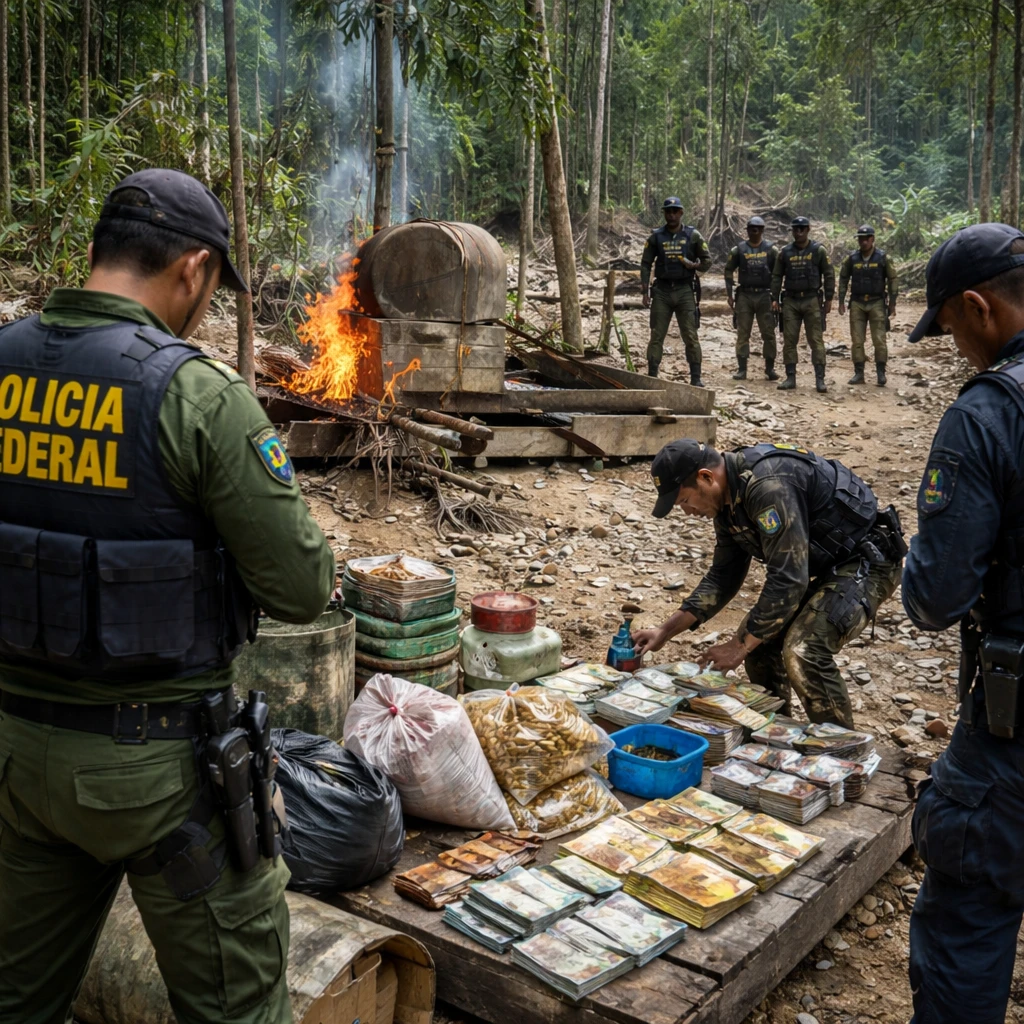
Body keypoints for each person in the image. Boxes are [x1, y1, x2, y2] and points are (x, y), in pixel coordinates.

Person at [0, 169, 336, 1024]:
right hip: (159, 776)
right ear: (193, 269)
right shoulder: (196, 395)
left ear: (97, 250)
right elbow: (302, 589)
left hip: (14, 759)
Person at [901, 223, 1024, 1024]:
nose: (956, 350)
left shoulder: (987, 414)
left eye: (949, 329)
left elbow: (936, 598)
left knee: (967, 916)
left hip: (1011, 738)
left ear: (978, 307)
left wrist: (920, 556)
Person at [632, 438, 905, 727]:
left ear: (706, 477)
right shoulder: (727, 501)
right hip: (820, 564)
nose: (688, 512)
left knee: (804, 649)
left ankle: (840, 746)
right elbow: (723, 576)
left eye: (685, 501)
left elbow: (788, 579)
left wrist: (738, 646)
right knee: (760, 644)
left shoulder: (767, 487)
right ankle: (776, 734)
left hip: (867, 561)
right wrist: (665, 631)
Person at [640, 197, 712, 386]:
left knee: (690, 335)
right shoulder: (656, 237)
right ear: (664, 213)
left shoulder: (693, 235)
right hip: (662, 291)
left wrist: (694, 265)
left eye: (675, 211)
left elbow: (707, 261)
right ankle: (652, 376)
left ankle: (696, 378)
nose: (671, 215)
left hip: (684, 290)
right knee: (656, 335)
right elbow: (646, 263)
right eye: (668, 211)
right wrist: (645, 291)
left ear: (681, 213)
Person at [771, 216, 835, 393]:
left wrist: (829, 298)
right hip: (790, 300)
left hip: (811, 299)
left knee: (815, 340)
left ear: (808, 230)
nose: (798, 232)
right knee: (789, 340)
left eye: (802, 229)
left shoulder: (818, 250)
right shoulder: (785, 252)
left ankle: (820, 379)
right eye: (795, 229)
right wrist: (774, 298)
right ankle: (790, 377)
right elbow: (777, 276)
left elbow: (829, 274)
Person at [837, 225, 898, 386]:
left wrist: (892, 303)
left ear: (872, 239)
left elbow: (892, 279)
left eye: (866, 239)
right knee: (857, 340)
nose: (863, 242)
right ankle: (859, 373)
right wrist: (841, 300)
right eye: (860, 239)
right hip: (857, 302)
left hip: (877, 302)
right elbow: (843, 278)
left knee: (879, 339)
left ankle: (881, 373)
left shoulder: (883, 258)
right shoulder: (852, 259)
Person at [724, 216, 779, 381]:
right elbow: (728, 270)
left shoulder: (771, 250)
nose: (754, 231)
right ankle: (742, 369)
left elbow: (778, 273)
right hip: (745, 295)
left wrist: (776, 297)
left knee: (768, 333)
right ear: (747, 230)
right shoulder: (739, 250)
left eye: (758, 228)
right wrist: (729, 294)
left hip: (765, 295)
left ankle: (770, 368)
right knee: (743, 332)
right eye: (751, 228)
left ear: (762, 230)